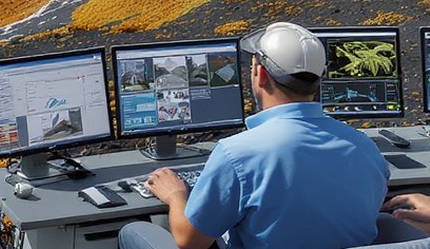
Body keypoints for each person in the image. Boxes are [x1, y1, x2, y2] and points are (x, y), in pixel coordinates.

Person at [118, 21, 388, 249]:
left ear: (260, 75)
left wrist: (176, 195)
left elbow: (189, 241)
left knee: (131, 233)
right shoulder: (365, 147)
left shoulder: (237, 154)